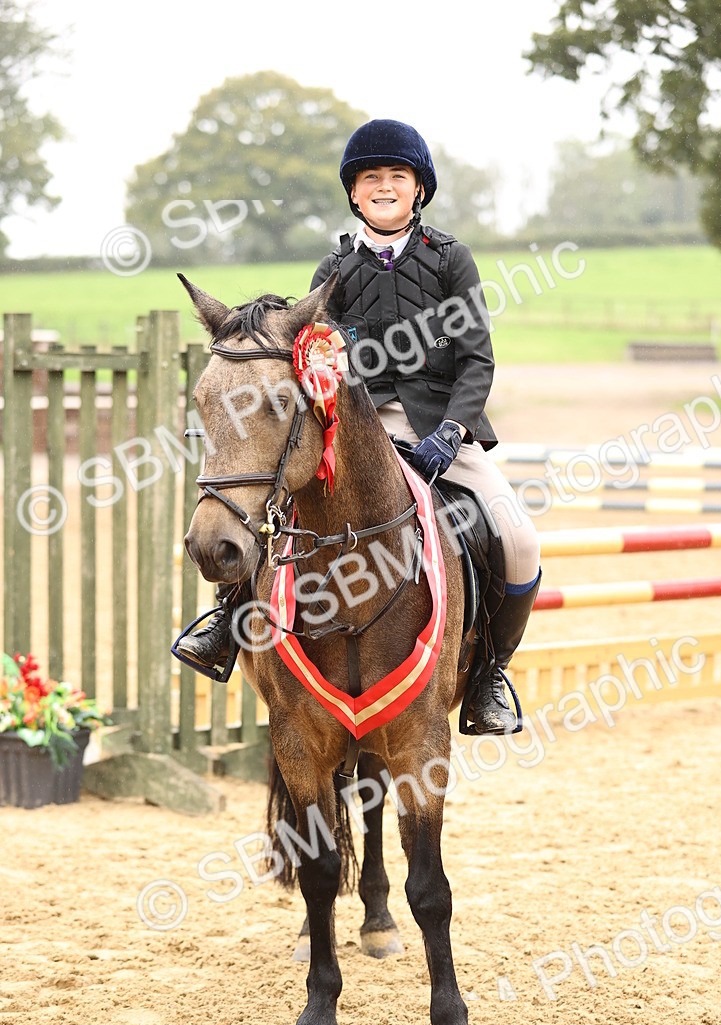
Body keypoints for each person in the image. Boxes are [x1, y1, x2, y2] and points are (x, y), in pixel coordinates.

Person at [176, 118, 541, 734]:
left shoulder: (452, 259)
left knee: (518, 536)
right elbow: (313, 357)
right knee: (274, 506)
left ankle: (488, 677)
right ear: (353, 193)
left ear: (418, 189)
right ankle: (226, 623)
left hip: (441, 429)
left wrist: (451, 434)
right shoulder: (334, 267)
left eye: (397, 176)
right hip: (355, 427)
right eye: (370, 177)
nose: (383, 186)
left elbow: (477, 358)